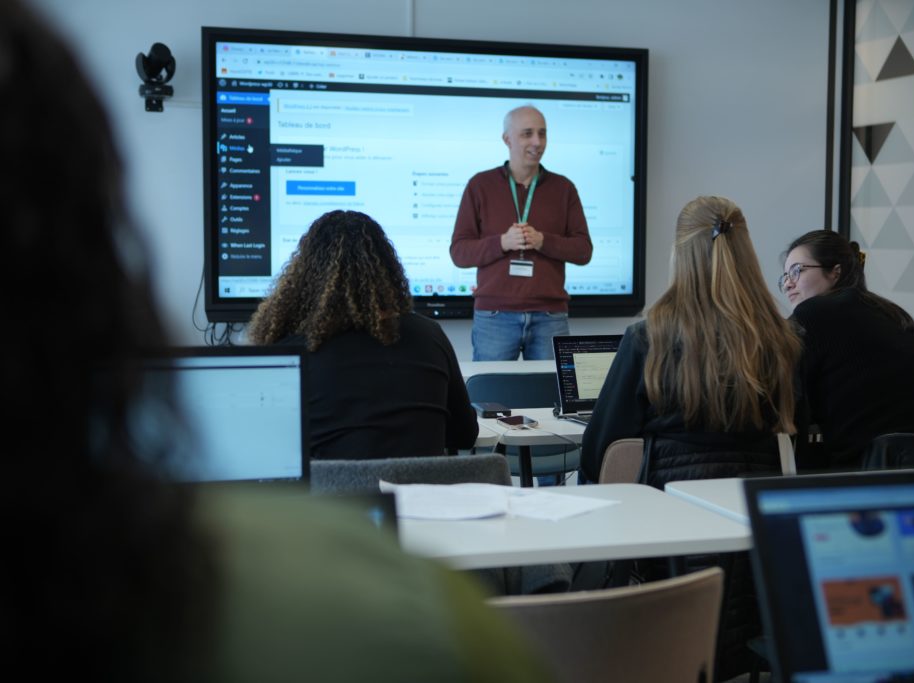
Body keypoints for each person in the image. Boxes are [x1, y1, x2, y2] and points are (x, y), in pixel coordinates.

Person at [0, 2, 551, 680]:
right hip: (434, 559)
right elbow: (463, 438)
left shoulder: (283, 355)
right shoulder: (448, 627)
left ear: (300, 274)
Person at [580, 196, 801, 682]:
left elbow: (602, 451)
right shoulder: (780, 339)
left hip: (663, 542)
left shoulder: (649, 336)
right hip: (754, 533)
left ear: (680, 253)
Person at [248, 210, 479, 459]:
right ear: (388, 269)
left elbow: (266, 445)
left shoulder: (291, 352)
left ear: (305, 275)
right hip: (417, 495)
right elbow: (465, 435)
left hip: (330, 497)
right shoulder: (430, 336)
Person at [781, 230, 914, 469]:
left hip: (882, 471)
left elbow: (786, 403)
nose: (788, 283)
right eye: (785, 276)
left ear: (834, 272)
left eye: (797, 271)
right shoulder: (889, 311)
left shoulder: (809, 315)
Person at [450, 105, 592, 360]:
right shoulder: (480, 185)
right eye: (527, 134)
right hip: (494, 315)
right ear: (507, 139)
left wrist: (543, 241)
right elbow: (459, 253)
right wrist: (502, 243)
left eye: (542, 134)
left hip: (550, 316)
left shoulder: (563, 188)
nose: (537, 142)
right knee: (490, 396)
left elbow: (583, 251)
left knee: (553, 395)